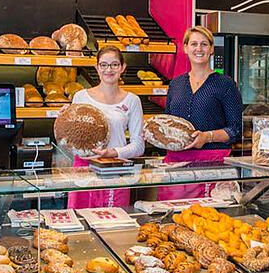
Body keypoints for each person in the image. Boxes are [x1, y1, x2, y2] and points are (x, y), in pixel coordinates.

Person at [159, 26, 242, 200]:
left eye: (204, 44)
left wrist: (207, 137)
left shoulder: (225, 84)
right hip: (177, 164)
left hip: (213, 164)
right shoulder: (176, 84)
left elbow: (235, 130)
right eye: (194, 44)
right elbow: (167, 123)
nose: (199, 49)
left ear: (211, 49)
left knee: (211, 219)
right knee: (175, 216)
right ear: (185, 48)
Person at [67, 46, 144, 208]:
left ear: (122, 68)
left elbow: (138, 146)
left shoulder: (132, 101)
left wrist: (113, 153)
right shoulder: (81, 97)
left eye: (114, 64)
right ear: (96, 67)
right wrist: (64, 119)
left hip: (115, 169)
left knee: (113, 225)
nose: (109, 69)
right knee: (80, 223)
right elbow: (71, 138)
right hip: (84, 169)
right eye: (103, 65)